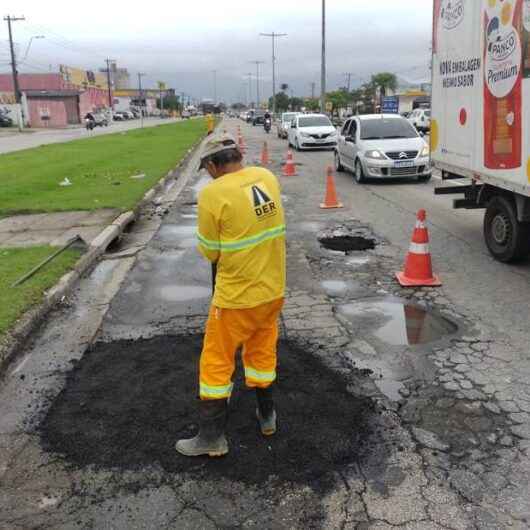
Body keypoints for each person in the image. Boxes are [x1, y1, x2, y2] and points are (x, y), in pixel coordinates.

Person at [176, 133, 286, 458]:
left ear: (213, 164)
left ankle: (211, 438)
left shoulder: (213, 193)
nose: (207, 174)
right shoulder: (266, 177)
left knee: (216, 362)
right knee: (262, 352)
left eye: (206, 168)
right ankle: (267, 417)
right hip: (272, 291)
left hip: (237, 297)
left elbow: (211, 252)